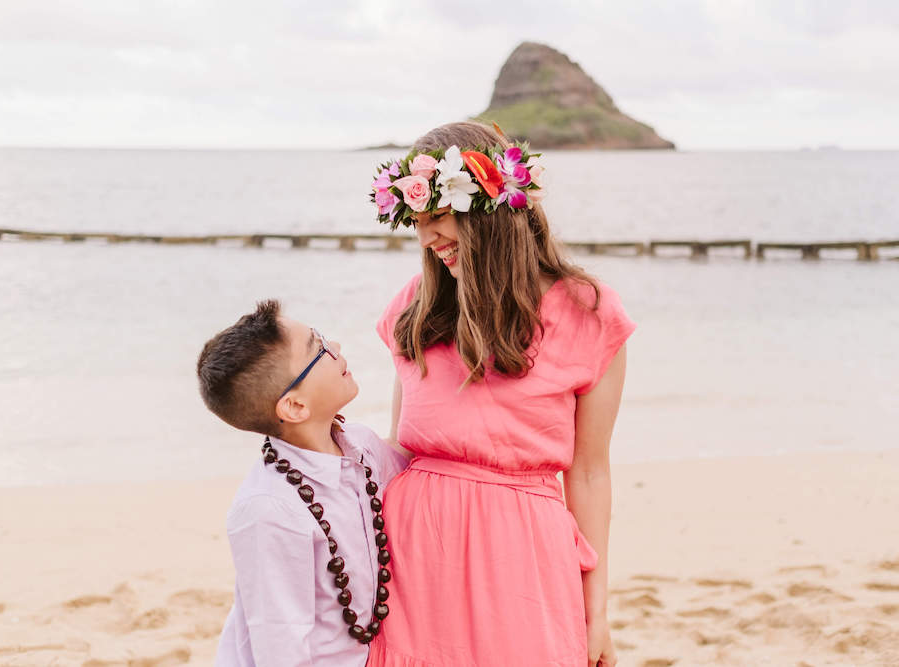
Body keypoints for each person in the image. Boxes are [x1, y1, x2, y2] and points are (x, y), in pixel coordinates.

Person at [367, 122, 635, 667]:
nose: (425, 239)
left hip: (525, 556)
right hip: (416, 551)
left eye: (437, 218)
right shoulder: (415, 309)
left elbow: (588, 474)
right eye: (415, 223)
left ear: (485, 208)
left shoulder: (588, 312)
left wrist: (597, 613)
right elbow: (398, 452)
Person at [196, 300, 409, 666]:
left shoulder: (360, 447)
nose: (336, 347)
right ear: (295, 407)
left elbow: (405, 447)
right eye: (318, 347)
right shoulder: (269, 510)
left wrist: (410, 357)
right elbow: (280, 641)